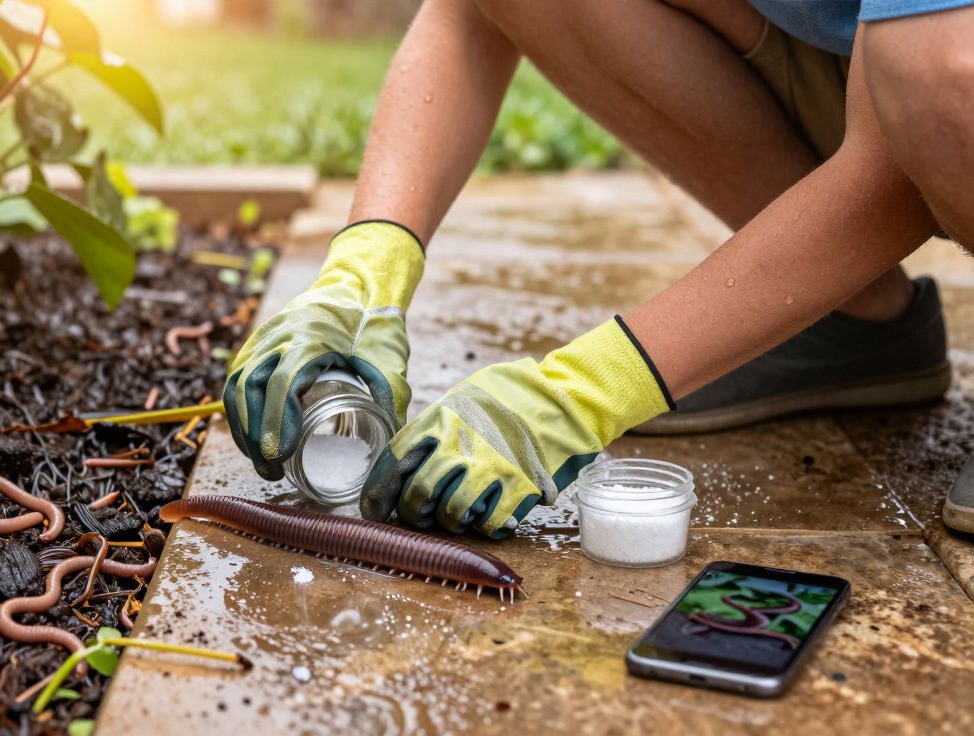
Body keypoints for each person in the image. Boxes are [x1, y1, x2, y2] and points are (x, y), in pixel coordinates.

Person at [223, 0, 974, 537]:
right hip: (864, 63)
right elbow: (464, 12)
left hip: (945, 75)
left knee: (937, 68)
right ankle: (854, 314)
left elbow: (904, 156)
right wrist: (364, 269)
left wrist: (584, 391)